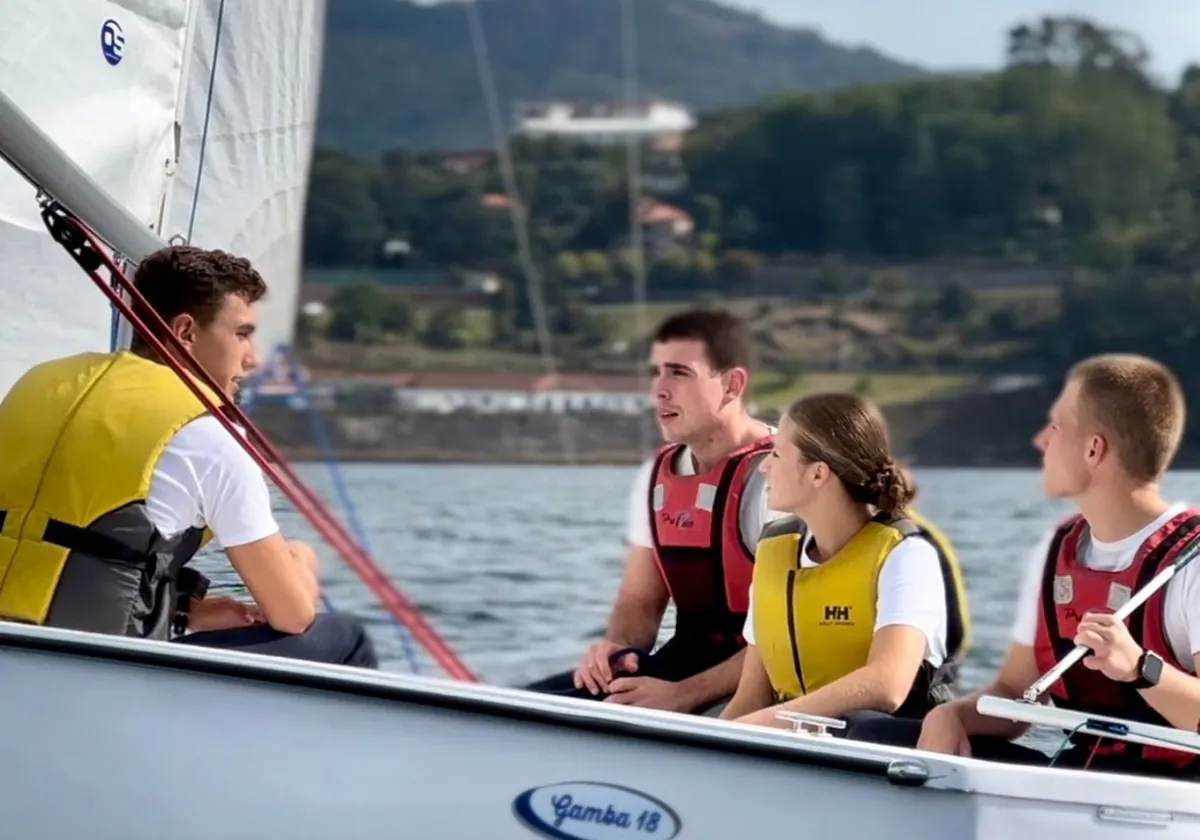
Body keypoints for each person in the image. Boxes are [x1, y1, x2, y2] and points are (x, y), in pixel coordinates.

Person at [0, 245, 377, 669]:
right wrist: (302, 560)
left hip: (13, 651)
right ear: (184, 331)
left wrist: (184, 610)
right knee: (345, 638)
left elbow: (58, 547)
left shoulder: (36, 384)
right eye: (241, 334)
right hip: (98, 672)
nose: (252, 360)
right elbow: (291, 615)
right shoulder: (209, 436)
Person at [912, 353, 1200, 779]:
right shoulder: (1056, 548)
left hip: (1171, 794)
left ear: (1093, 449)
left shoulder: (1191, 561)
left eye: (1056, 427)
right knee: (876, 733)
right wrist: (952, 716)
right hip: (1081, 780)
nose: (1041, 441)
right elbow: (1015, 694)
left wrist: (1140, 668)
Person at [525, 308, 782, 714]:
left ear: (731, 384)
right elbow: (640, 602)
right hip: (685, 665)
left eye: (679, 373)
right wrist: (616, 653)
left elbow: (798, 634)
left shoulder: (782, 476)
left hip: (770, 682)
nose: (659, 391)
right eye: (656, 373)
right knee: (531, 705)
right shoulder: (654, 476)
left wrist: (684, 696)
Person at [720, 392, 971, 733]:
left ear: (818, 474)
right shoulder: (774, 552)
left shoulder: (906, 556)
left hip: (889, 755)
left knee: (863, 726)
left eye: (777, 454)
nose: (764, 466)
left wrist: (767, 723)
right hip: (795, 747)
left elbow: (887, 686)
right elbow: (749, 700)